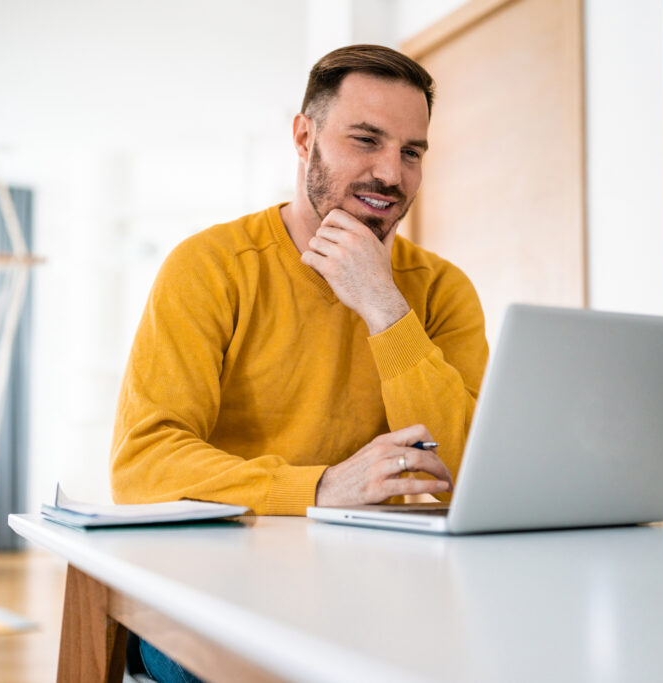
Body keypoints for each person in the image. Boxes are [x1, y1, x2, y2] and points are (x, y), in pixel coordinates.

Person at [112, 44, 489, 682]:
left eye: (412, 152)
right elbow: (142, 463)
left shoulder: (441, 291)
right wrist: (320, 489)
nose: (391, 174)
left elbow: (471, 470)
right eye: (365, 140)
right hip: (214, 583)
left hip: (374, 585)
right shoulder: (208, 268)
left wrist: (384, 308)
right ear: (304, 137)